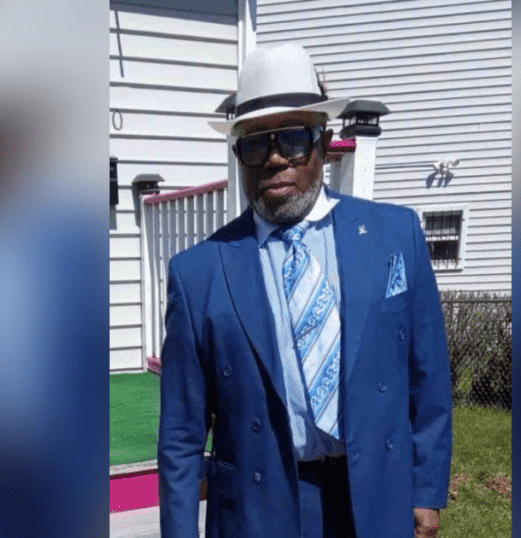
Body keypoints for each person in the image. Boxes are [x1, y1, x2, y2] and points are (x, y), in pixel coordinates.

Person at [157, 43, 453, 538]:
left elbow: (428, 375)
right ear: (239, 157)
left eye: (292, 138)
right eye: (255, 143)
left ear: (323, 140)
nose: (275, 158)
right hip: (257, 508)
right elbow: (181, 436)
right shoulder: (198, 274)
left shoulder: (394, 235)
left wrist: (426, 488)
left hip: (375, 496)